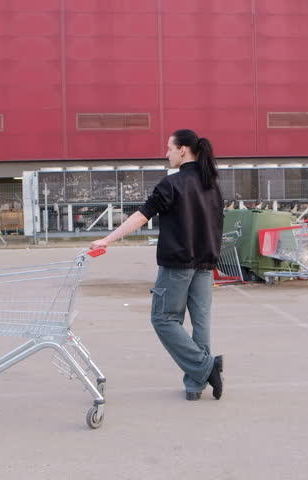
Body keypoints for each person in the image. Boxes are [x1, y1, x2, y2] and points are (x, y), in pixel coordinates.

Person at [90, 129, 224, 401]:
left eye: (169, 148)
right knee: (201, 322)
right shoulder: (212, 185)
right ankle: (195, 385)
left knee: (163, 319)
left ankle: (205, 367)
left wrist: (107, 239)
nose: (166, 153)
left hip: (178, 263)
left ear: (183, 150)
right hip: (205, 262)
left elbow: (141, 216)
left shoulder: (172, 183)